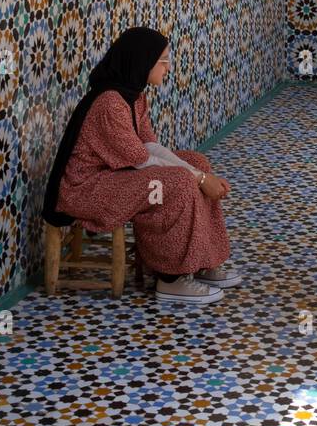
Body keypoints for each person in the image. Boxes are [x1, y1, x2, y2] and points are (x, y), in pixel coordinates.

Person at [43, 26, 239, 305]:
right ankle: (170, 279)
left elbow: (150, 146)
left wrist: (201, 173)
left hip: (116, 175)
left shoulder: (134, 96)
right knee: (179, 181)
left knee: (197, 161)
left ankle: (199, 262)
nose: (168, 67)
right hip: (86, 190)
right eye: (163, 60)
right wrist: (197, 179)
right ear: (142, 61)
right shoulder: (109, 103)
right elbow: (142, 159)